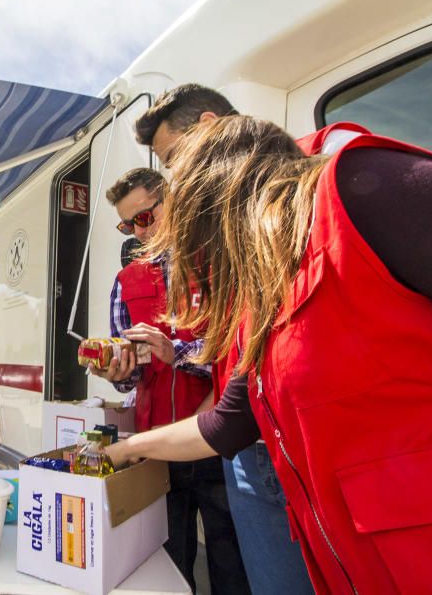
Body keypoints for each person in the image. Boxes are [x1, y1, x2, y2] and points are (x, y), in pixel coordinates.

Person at [107, 116, 432, 594]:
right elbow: (227, 421)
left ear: (233, 205)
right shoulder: (269, 297)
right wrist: (126, 449)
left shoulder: (369, 192)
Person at [134, 84, 313, 595]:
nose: (176, 182)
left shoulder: (344, 191)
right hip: (243, 446)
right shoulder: (239, 260)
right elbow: (239, 392)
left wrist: (134, 446)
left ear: (210, 130)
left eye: (172, 162)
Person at [91, 167, 250, 594]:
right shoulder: (125, 281)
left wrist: (174, 353)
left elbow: (238, 356)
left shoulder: (219, 263)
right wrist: (118, 372)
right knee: (167, 566)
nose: (139, 232)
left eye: (145, 217)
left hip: (219, 440)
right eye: (128, 224)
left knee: (232, 563)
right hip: (157, 443)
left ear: (172, 202)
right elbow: (134, 376)